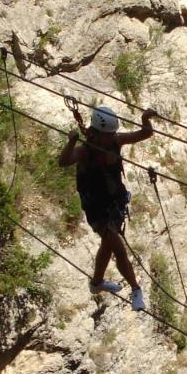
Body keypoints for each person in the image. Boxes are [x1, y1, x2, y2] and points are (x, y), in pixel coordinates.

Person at [58, 104, 157, 311]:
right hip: (97, 209)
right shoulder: (85, 152)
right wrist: (71, 142)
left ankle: (96, 283)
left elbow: (145, 133)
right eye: (107, 134)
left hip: (114, 204)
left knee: (107, 245)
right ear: (96, 133)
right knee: (118, 249)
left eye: (112, 133)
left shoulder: (115, 141)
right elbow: (63, 161)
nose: (111, 137)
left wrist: (145, 118)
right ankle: (136, 289)